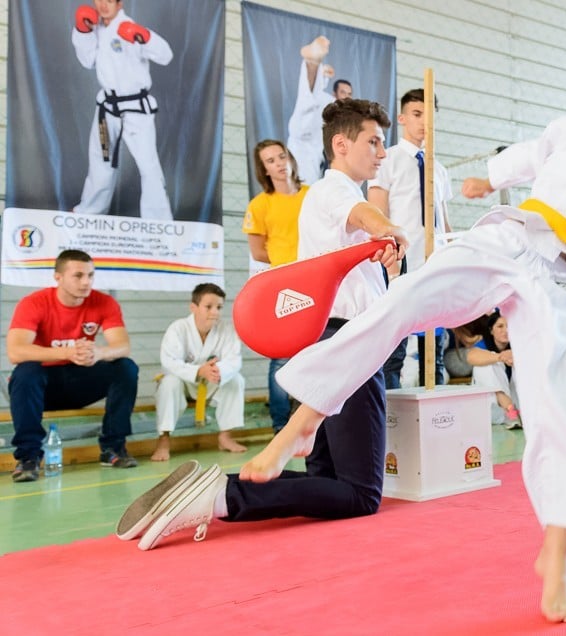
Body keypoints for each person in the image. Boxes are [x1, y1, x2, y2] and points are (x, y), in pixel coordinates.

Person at [124, 66, 566, 623]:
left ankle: (556, 559)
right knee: (401, 303)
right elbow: (535, 153)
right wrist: (492, 177)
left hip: (560, 278)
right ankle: (303, 421)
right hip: (510, 239)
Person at [119, 99, 407, 551]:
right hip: (347, 342)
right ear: (341, 144)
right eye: (373, 142)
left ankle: (213, 494)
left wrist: (381, 237)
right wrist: (390, 229)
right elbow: (369, 219)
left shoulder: (329, 196)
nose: (382, 153)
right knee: (361, 493)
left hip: (324, 337)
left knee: (327, 478)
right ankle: (220, 496)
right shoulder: (335, 193)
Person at [6, 249, 139, 482]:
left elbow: (122, 346)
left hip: (81, 383)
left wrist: (99, 352)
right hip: (44, 387)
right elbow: (15, 351)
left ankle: (113, 448)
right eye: (78, 276)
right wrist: (68, 352)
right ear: (58, 277)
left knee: (125, 367)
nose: (86, 282)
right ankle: (28, 458)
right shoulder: (34, 303)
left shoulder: (104, 302)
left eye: (90, 275)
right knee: (26, 371)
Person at [368, 88, 454, 388]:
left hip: (435, 266)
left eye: (430, 116)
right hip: (402, 264)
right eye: (417, 114)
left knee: (436, 349)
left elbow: (444, 221)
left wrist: (451, 254)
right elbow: (377, 214)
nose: (424, 123)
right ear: (403, 118)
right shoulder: (387, 160)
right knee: (395, 349)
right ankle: (390, 419)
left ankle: (435, 417)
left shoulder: (439, 170)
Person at [71, 0, 174, 220]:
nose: (103, 5)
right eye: (99, 0)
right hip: (107, 109)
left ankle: (159, 222)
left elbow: (166, 56)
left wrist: (144, 36)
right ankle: (89, 213)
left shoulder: (129, 26)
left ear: (120, 3)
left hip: (136, 110)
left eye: (109, 1)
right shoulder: (94, 27)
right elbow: (86, 60)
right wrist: (82, 31)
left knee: (148, 167)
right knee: (101, 163)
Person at [242, 139, 309, 433]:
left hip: (316, 281)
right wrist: (287, 263)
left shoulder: (312, 195)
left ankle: (310, 419)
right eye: (270, 161)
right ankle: (281, 426)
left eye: (281, 156)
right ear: (264, 169)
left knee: (319, 348)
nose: (279, 164)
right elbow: (258, 251)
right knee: (282, 356)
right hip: (283, 285)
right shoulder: (260, 205)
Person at [152, 284, 247, 462]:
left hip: (212, 380)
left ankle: (225, 436)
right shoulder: (178, 328)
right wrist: (198, 370)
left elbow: (234, 360)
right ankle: (164, 439)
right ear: (193, 307)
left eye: (219, 307)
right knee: (169, 382)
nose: (215, 312)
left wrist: (219, 370)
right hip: (185, 382)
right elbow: (169, 361)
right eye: (208, 307)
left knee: (236, 380)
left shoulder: (227, 329)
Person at [287, 36, 340, 185]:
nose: (346, 97)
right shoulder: (324, 99)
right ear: (334, 93)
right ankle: (312, 63)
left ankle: (313, 64)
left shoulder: (338, 110)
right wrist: (317, 69)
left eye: (349, 94)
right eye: (343, 93)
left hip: (316, 156)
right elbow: (310, 97)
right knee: (308, 103)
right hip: (301, 141)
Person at [470, 312, 522, 429]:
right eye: (500, 326)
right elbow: (471, 357)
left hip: (517, 402)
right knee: (487, 363)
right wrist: (500, 357)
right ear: (491, 330)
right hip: (490, 405)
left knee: (520, 362)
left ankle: (512, 412)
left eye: (509, 326)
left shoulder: (519, 344)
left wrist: (514, 356)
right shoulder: (484, 344)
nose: (506, 330)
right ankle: (510, 410)